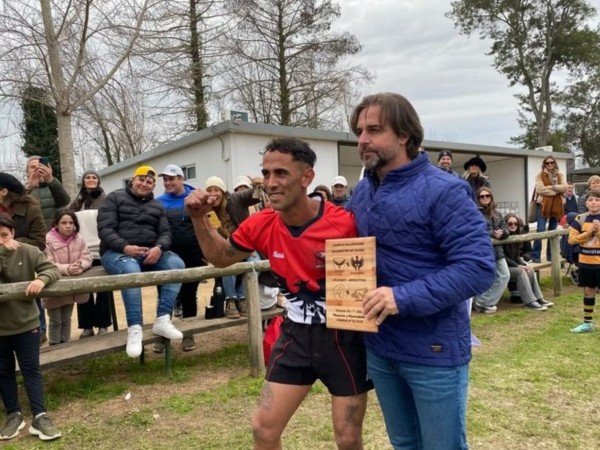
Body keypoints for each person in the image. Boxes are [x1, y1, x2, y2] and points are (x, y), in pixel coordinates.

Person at [185, 137, 372, 450]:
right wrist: (198, 219)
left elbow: (383, 266)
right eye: (266, 173)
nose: (270, 183)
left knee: (348, 437)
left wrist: (354, 264)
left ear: (307, 177)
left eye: (281, 173)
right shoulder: (262, 223)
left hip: (345, 338)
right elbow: (221, 257)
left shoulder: (345, 222)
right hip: (296, 336)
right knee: (263, 429)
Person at [347, 92, 496, 450]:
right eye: (359, 131)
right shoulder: (363, 191)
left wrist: (402, 296)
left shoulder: (445, 190)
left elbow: (477, 267)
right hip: (381, 347)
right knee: (404, 444)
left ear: (405, 136)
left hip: (434, 349)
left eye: (374, 130)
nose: (363, 139)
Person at [98, 165, 185, 358]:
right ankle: (135, 328)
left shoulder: (157, 206)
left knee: (176, 264)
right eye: (142, 179)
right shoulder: (114, 198)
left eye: (150, 181)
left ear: (154, 186)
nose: (145, 184)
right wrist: (125, 247)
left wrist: (159, 248)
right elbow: (105, 229)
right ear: (132, 180)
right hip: (117, 252)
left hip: (149, 252)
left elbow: (165, 233)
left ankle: (162, 319)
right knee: (131, 269)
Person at [0, 212, 61, 441]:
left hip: (26, 323)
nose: (1, 240)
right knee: (3, 372)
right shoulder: (6, 249)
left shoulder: (28, 251)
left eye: (4, 236)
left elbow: (52, 269)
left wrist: (41, 279)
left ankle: (40, 416)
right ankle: (13, 415)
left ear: (13, 232)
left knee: (31, 370)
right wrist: (4, 250)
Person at [155, 164, 206, 352]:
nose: (168, 183)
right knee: (164, 294)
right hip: (167, 255)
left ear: (181, 179)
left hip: (192, 254)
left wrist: (206, 252)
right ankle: (162, 336)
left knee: (188, 294)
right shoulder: (158, 202)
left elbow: (207, 224)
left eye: (171, 179)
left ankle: (188, 333)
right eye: (165, 179)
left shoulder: (196, 198)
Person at [203, 175, 264, 319]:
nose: (213, 194)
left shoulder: (235, 199)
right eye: (209, 190)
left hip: (245, 246)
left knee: (255, 264)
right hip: (225, 250)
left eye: (216, 190)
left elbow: (252, 195)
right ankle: (231, 300)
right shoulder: (207, 210)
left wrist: (258, 185)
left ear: (223, 192)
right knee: (227, 266)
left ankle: (242, 297)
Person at [0, 173, 48, 345]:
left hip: (23, 264)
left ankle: (39, 334)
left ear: (3, 191)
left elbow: (40, 241)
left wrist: (10, 244)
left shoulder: (31, 209)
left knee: (31, 295)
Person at [69, 170, 113, 338]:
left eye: (94, 177)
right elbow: (69, 217)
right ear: (83, 181)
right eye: (88, 177)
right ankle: (87, 326)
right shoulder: (78, 200)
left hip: (102, 247)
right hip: (83, 249)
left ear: (98, 181)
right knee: (84, 288)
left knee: (103, 289)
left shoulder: (106, 198)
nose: (91, 179)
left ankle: (103, 324)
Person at [43, 209, 93, 345]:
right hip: (53, 286)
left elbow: (87, 257)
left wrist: (80, 265)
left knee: (67, 318)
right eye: (64, 222)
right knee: (55, 320)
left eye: (71, 222)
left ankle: (65, 345)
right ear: (56, 224)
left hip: (71, 288)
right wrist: (67, 269)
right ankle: (54, 346)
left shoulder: (79, 239)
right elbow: (47, 263)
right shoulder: (47, 241)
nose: (68, 226)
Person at [472, 187, 511, 313]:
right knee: (485, 278)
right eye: (481, 196)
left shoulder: (497, 213)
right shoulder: (474, 212)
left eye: (487, 195)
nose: (485, 198)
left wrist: (503, 233)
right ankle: (482, 303)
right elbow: (476, 230)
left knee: (505, 275)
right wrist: (493, 233)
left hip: (498, 251)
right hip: (482, 251)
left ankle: (483, 302)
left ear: (491, 197)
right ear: (478, 199)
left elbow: (506, 228)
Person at [503, 213, 553, 310]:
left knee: (529, 268)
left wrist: (523, 262)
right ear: (505, 224)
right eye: (510, 224)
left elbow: (521, 254)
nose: (513, 226)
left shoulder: (520, 236)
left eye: (515, 224)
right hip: (504, 266)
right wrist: (519, 266)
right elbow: (503, 257)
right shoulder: (502, 237)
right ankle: (529, 302)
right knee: (521, 271)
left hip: (515, 263)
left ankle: (538, 298)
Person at [568, 189, 600, 333]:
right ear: (586, 203)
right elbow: (571, 240)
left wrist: (597, 231)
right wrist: (588, 233)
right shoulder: (580, 219)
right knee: (588, 291)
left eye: (597, 200)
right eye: (591, 200)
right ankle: (587, 323)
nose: (593, 202)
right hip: (586, 262)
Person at [532, 156, 567, 263]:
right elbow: (540, 189)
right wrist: (556, 190)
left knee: (552, 231)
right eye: (547, 163)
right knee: (540, 230)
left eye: (552, 162)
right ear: (544, 164)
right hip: (542, 205)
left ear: (555, 163)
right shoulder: (539, 175)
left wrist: (550, 187)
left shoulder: (560, 175)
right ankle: (536, 256)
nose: (550, 164)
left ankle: (550, 255)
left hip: (556, 206)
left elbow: (565, 188)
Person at [24, 155, 71, 230]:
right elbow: (16, 207)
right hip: (33, 234)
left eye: (40, 166)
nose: (37, 169)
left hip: (54, 233)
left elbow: (65, 202)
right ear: (27, 172)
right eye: (33, 167)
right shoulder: (23, 190)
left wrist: (50, 180)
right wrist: (29, 186)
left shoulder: (54, 186)